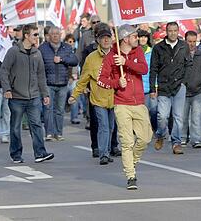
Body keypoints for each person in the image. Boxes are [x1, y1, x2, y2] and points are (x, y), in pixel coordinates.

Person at [97, 25, 151, 190]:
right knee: (127, 142)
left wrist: (126, 62)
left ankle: (131, 161)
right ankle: (130, 175)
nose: (138, 38)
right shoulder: (111, 56)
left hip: (139, 103)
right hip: (122, 104)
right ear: (125, 38)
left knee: (145, 138)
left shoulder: (139, 52)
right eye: (135, 36)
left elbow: (143, 69)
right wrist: (116, 83)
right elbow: (101, 80)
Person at [1, 25, 54, 164]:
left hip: (34, 96)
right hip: (16, 97)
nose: (37, 37)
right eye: (35, 35)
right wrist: (7, 89)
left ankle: (40, 153)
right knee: (15, 127)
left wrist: (45, 94)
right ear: (26, 35)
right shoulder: (14, 51)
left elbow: (41, 75)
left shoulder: (37, 53)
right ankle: (16, 154)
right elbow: (4, 71)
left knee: (36, 124)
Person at [70, 23, 119, 164]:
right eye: (103, 38)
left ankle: (107, 151)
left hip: (114, 98)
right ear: (97, 40)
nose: (106, 40)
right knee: (103, 126)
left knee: (110, 127)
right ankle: (103, 154)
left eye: (108, 37)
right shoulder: (91, 58)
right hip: (98, 98)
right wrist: (75, 94)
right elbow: (83, 78)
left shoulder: (117, 56)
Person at [149, 22, 188, 154]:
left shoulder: (183, 46)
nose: (172, 33)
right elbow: (153, 69)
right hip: (163, 86)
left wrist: (184, 81)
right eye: (170, 31)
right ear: (166, 31)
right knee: (162, 116)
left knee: (178, 117)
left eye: (175, 31)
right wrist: (152, 89)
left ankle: (176, 142)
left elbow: (189, 64)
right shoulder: (158, 47)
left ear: (178, 31)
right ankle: (160, 134)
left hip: (179, 86)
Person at [39, 25, 79, 141]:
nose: (55, 35)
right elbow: (39, 65)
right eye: (53, 34)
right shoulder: (43, 48)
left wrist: (62, 60)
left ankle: (58, 133)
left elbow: (75, 61)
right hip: (48, 83)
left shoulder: (66, 47)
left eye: (57, 34)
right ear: (49, 36)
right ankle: (49, 133)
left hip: (62, 83)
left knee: (60, 109)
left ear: (61, 35)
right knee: (48, 108)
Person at [181, 30, 201, 148]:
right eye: (189, 41)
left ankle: (196, 139)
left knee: (196, 116)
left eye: (194, 41)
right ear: (185, 41)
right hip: (183, 91)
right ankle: (183, 137)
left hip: (198, 90)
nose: (192, 44)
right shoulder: (181, 55)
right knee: (183, 117)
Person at [137, 29, 157, 133]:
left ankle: (155, 128)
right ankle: (145, 130)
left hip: (150, 87)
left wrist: (156, 86)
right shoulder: (134, 51)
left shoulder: (152, 51)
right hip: (138, 87)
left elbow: (155, 69)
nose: (143, 39)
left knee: (153, 110)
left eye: (145, 37)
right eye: (141, 37)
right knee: (142, 112)